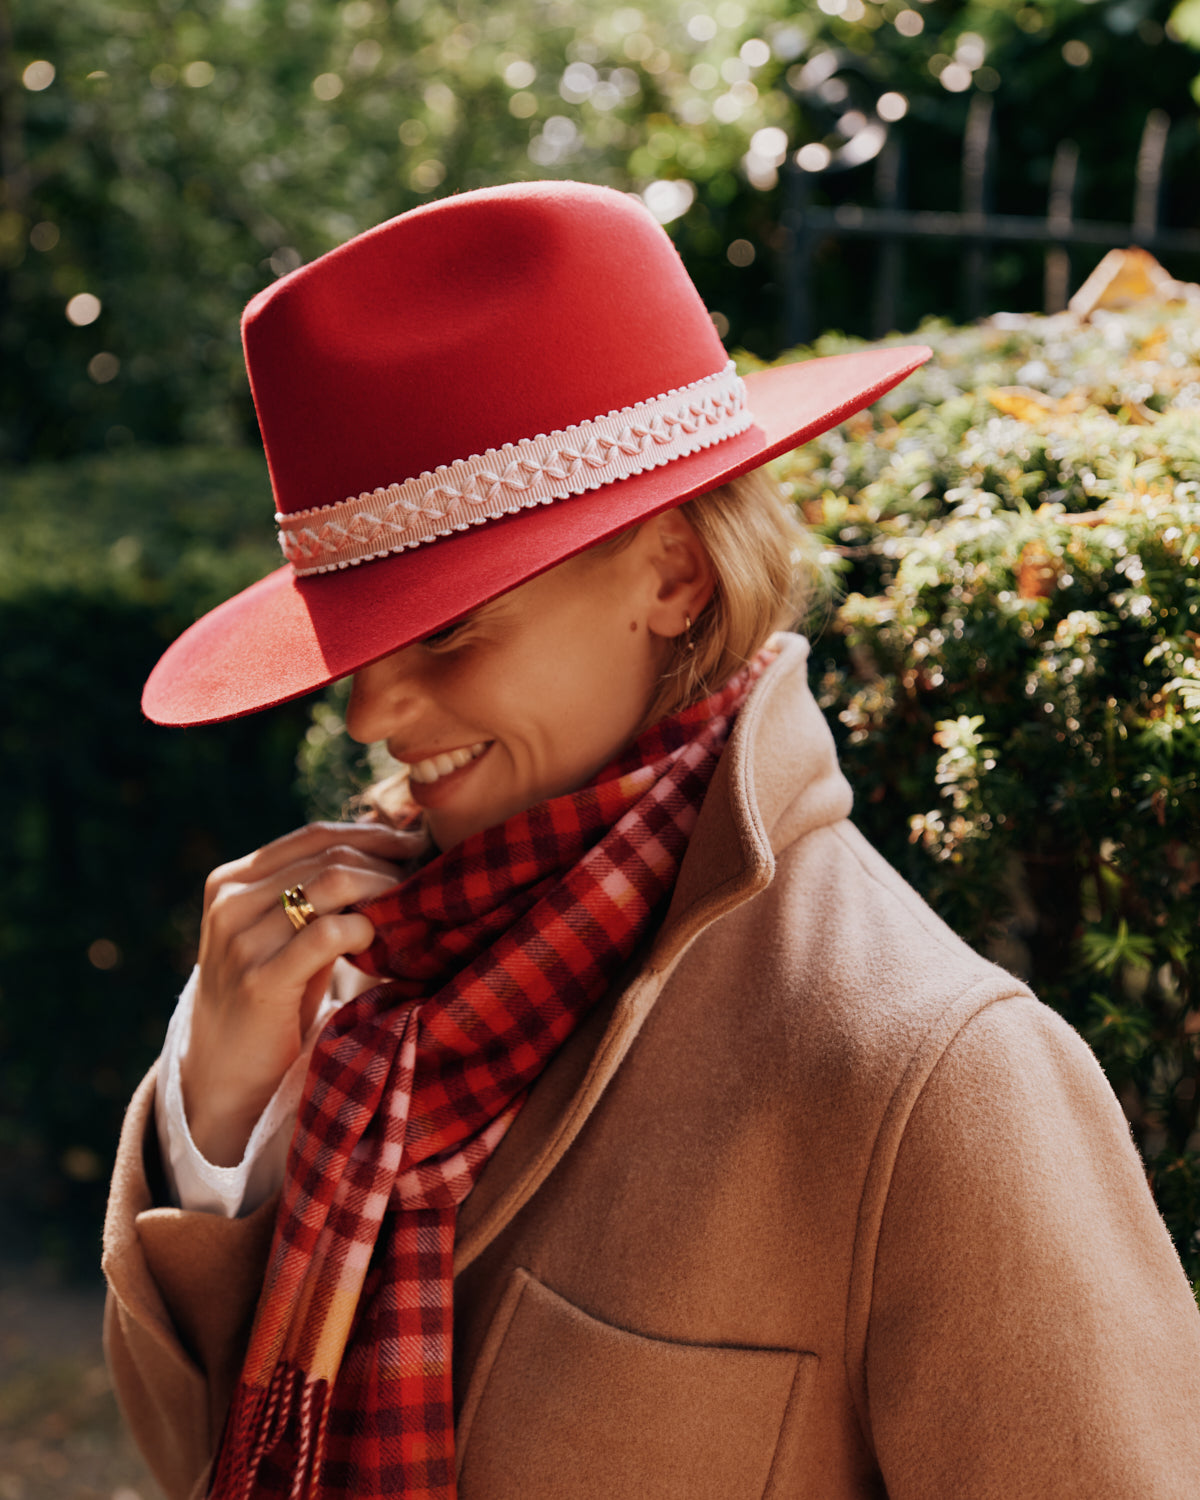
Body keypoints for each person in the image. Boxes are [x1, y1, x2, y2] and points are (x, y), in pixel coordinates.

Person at [102, 181, 1200, 1500]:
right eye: (354, 642)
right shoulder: (369, 987)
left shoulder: (933, 1075)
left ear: (674, 574)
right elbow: (203, 1459)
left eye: (449, 632)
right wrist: (216, 1113)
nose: (373, 715)